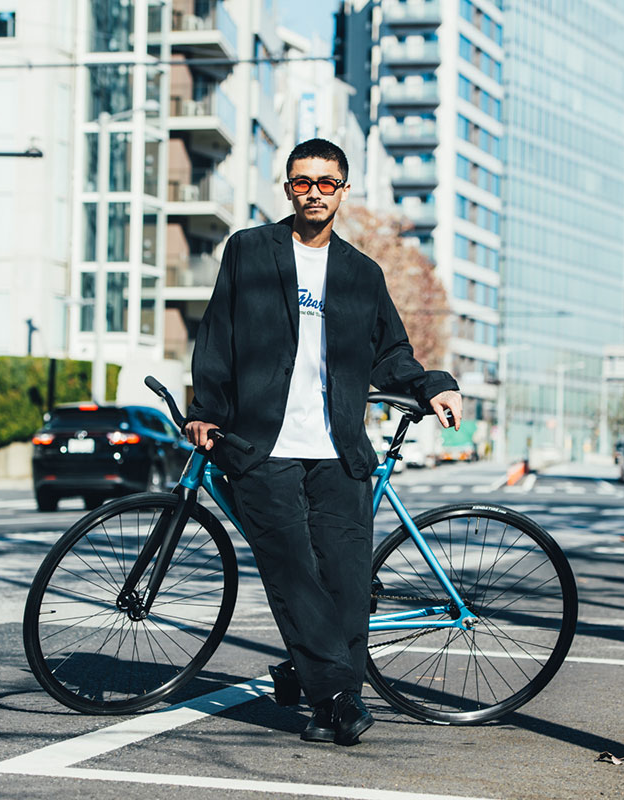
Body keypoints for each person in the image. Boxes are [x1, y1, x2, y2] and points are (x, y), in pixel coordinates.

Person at [184, 138, 462, 746]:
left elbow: (392, 353)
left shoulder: (362, 274)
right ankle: (339, 698)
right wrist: (205, 409)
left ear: (343, 190)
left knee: (344, 577)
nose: (314, 192)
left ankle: (318, 690)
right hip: (262, 446)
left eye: (326, 182)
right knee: (291, 570)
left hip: (338, 447)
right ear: (287, 188)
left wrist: (433, 385)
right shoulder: (251, 251)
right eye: (302, 182)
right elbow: (217, 335)